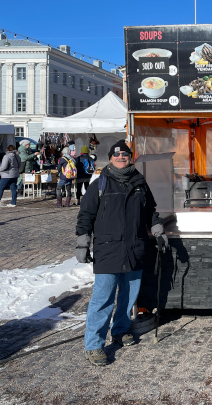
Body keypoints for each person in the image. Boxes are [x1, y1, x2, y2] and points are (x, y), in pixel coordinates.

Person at [76, 140, 165, 367]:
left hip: (134, 248)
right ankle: (94, 345)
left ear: (130, 157)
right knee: (103, 298)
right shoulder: (101, 183)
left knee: (128, 295)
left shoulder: (139, 183)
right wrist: (83, 243)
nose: (121, 158)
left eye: (124, 155)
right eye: (117, 155)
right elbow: (85, 214)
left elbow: (150, 211)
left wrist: (157, 229)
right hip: (109, 249)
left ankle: (120, 330)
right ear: (111, 158)